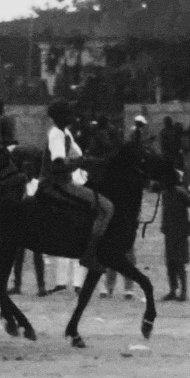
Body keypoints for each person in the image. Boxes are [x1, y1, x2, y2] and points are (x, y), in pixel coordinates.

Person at [42, 99, 112, 265]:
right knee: (107, 208)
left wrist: (97, 161)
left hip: (66, 181)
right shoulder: (56, 135)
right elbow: (58, 165)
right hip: (57, 184)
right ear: (60, 116)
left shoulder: (65, 133)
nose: (72, 115)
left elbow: (79, 157)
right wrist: (82, 163)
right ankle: (89, 254)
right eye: (68, 112)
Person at [159, 180, 190, 301]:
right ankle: (173, 290)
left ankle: (183, 291)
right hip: (170, 231)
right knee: (170, 262)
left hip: (180, 232)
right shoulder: (165, 193)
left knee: (179, 262)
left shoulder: (180, 193)